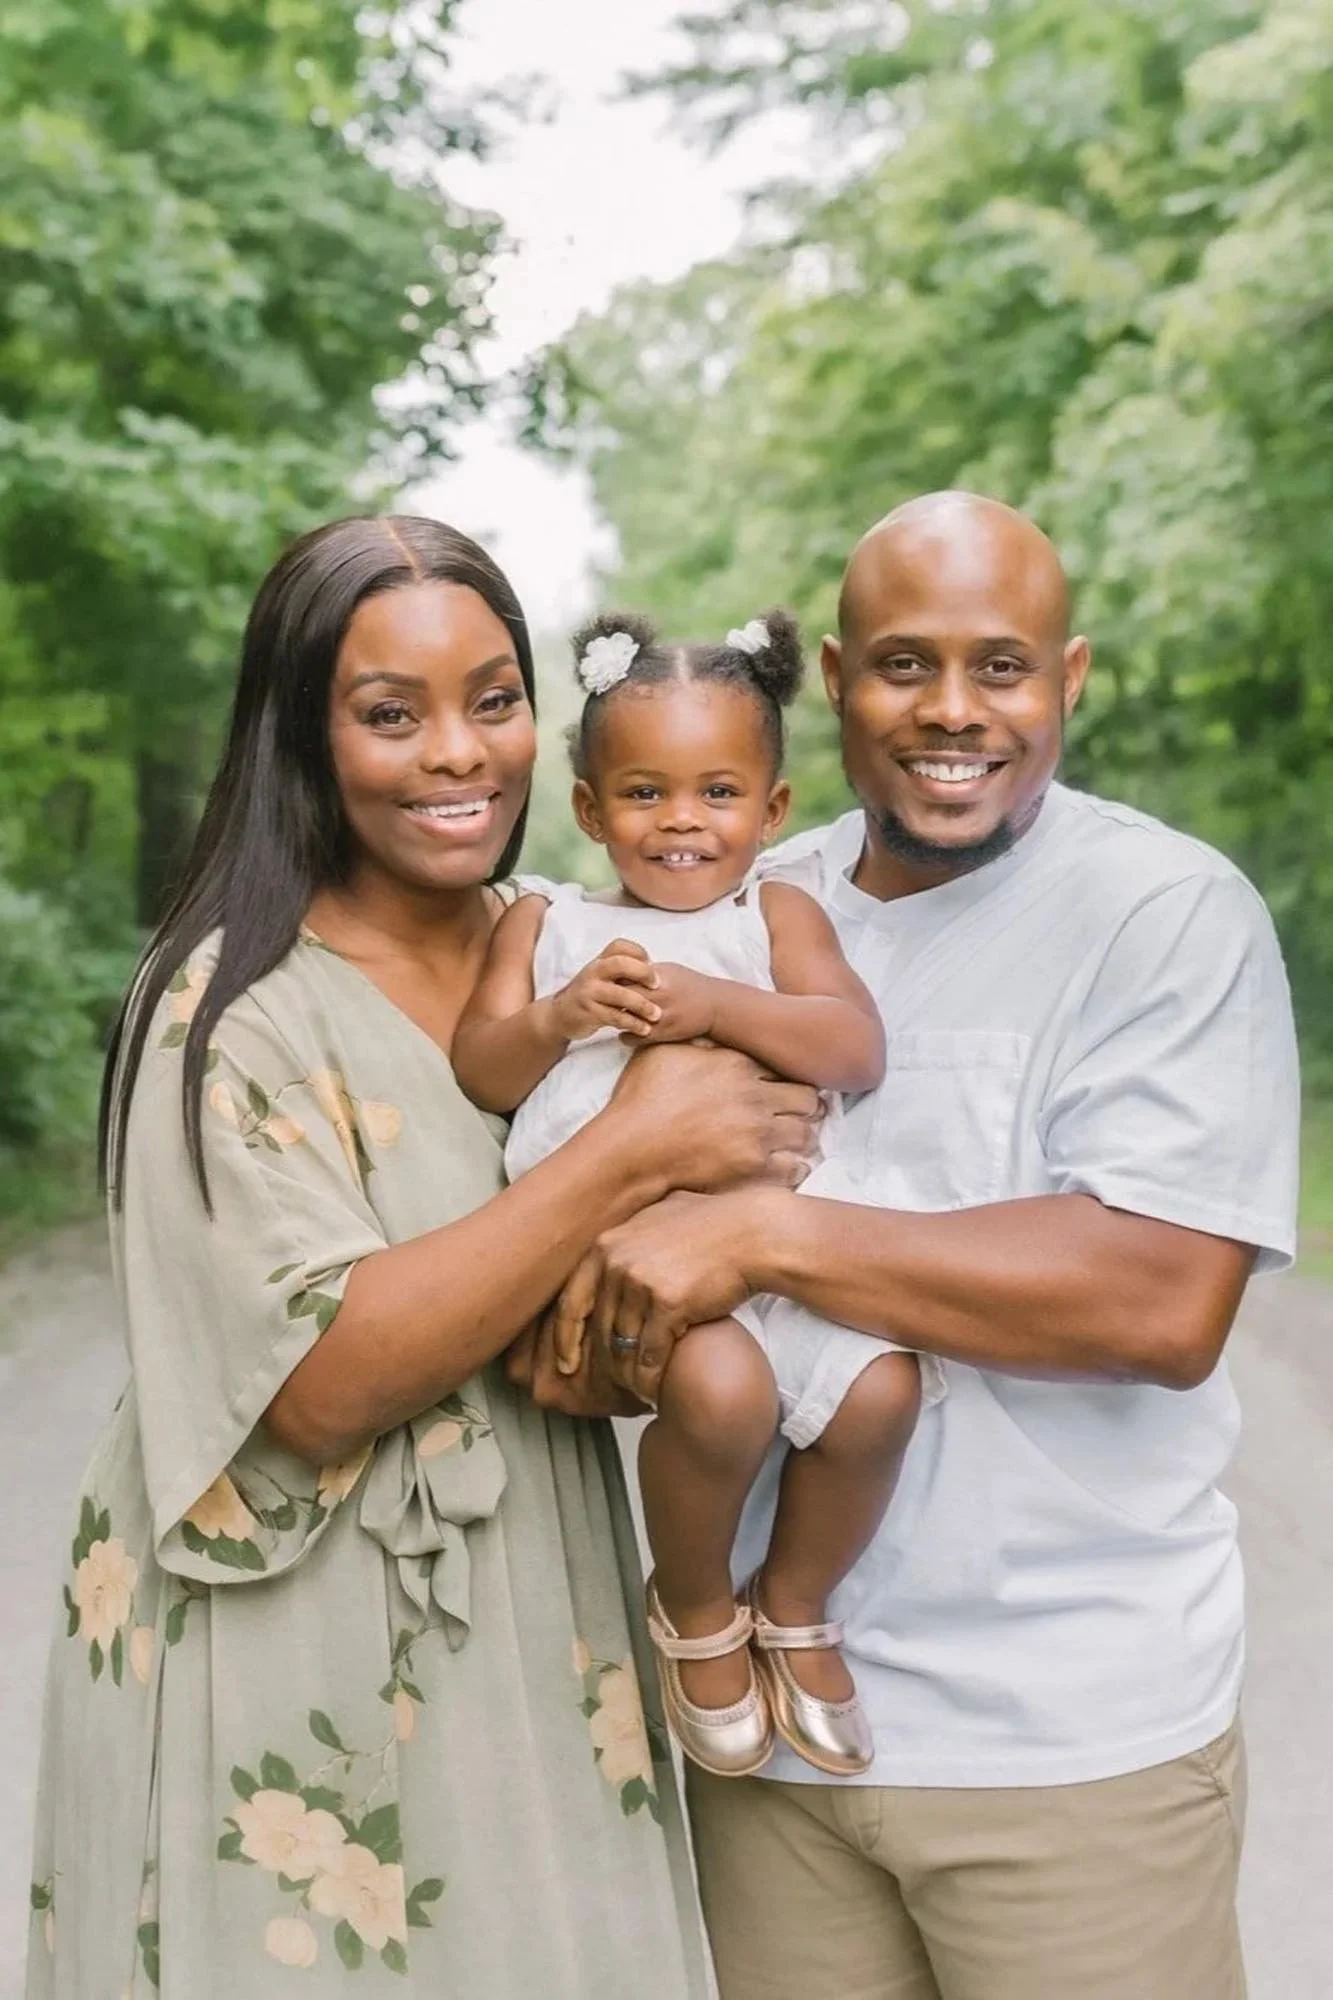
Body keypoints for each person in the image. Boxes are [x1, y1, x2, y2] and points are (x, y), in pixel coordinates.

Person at [26, 515, 822, 1999]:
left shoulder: (569, 943)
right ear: (301, 739)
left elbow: (727, 1188)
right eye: (392, 714)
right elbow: (321, 1382)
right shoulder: (228, 1006)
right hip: (294, 1627)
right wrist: (631, 1153)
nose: (460, 752)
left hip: (539, 1593)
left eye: (496, 700)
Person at [520, 492, 1300, 2000]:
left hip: (1069, 1737)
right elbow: (606, 1214)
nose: (953, 711)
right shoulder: (744, 903)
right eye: (903, 665)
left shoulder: (1162, 914)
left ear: (1067, 682)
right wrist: (612, 1312)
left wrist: (763, 1231)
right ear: (830, 677)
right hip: (768, 1752)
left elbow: (1156, 1299)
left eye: (1000, 668)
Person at [455, 607, 923, 1783]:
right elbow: (481, 1065)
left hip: (772, 1242)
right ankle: (698, 1601)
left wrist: (719, 1008)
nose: (679, 822)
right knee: (721, 1391)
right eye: (645, 792)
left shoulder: (775, 914)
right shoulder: (545, 922)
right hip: (622, 1245)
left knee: (880, 1391)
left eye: (718, 793)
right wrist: (561, 1017)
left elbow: (850, 1045)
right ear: (587, 807)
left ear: (769, 812)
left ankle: (796, 1599)